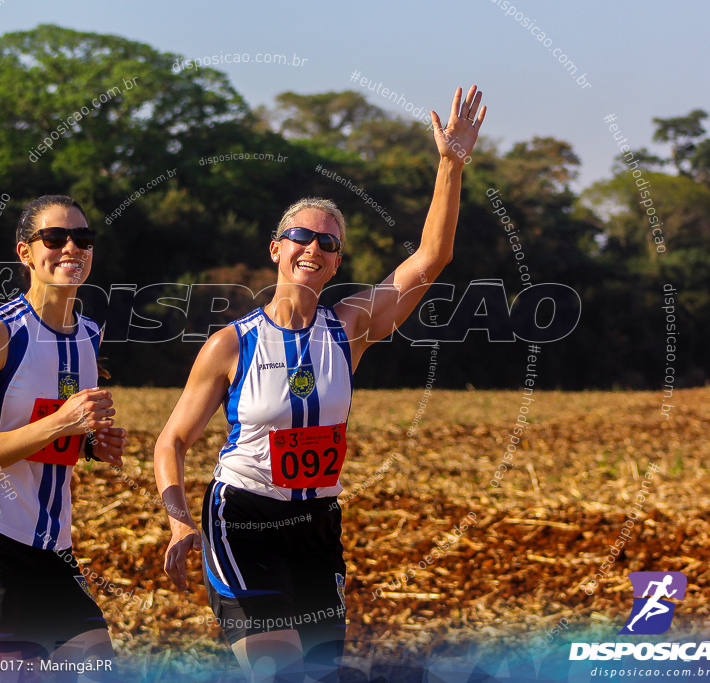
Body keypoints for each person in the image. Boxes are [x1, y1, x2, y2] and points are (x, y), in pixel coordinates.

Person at [154, 86, 486, 682]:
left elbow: (432, 257)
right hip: (243, 519)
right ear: (277, 250)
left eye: (328, 243)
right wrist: (180, 518)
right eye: (302, 238)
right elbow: (171, 442)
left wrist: (450, 166)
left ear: (336, 262)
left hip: (316, 524)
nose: (314, 247)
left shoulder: (352, 327)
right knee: (283, 672)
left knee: (326, 674)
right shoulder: (232, 344)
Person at [0, 194, 127, 680]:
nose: (71, 248)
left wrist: (90, 445)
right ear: (25, 252)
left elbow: (55, 433)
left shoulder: (89, 336)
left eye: (83, 239)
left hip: (53, 552)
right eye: (55, 238)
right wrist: (62, 423)